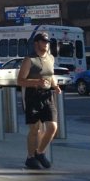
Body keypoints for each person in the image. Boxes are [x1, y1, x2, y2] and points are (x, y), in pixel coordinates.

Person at [17, 31, 61, 170]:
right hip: (32, 96)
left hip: (47, 96)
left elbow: (51, 75)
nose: (46, 45)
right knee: (35, 128)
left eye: (47, 42)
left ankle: (40, 152)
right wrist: (37, 82)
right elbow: (20, 81)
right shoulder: (29, 59)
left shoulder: (51, 58)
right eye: (44, 42)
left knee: (52, 127)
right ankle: (30, 158)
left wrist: (55, 86)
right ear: (36, 43)